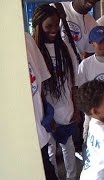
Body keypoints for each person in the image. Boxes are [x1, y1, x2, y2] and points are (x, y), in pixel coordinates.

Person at [32, 5, 80, 179]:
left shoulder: (65, 48)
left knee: (69, 147)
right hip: (46, 112)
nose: (53, 30)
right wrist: (47, 115)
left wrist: (76, 107)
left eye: (56, 25)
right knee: (51, 150)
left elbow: (74, 80)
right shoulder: (34, 51)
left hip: (66, 108)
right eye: (48, 26)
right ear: (38, 27)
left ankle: (72, 176)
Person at [25, 32, 58, 180]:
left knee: (47, 168)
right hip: (16, 136)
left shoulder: (26, 39)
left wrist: (46, 111)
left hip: (38, 127)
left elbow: (41, 81)